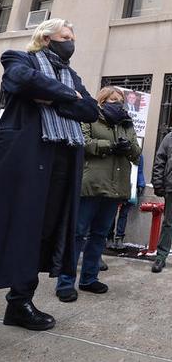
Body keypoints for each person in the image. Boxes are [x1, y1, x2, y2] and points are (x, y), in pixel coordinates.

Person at [0, 18, 99, 362]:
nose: (71, 42)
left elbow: (90, 109)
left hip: (60, 162)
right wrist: (67, 98)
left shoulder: (73, 77)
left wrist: (61, 95)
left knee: (41, 235)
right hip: (18, 160)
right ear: (46, 37)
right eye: (65, 37)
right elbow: (22, 81)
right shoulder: (19, 57)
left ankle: (20, 303)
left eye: (73, 37)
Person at [56, 87, 141, 302]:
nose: (118, 103)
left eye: (120, 100)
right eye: (113, 99)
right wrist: (110, 146)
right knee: (77, 234)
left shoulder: (126, 123)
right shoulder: (90, 117)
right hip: (91, 185)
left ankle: (89, 279)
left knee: (100, 236)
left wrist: (126, 146)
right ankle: (65, 283)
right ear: (102, 101)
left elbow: (137, 155)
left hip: (115, 188)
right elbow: (82, 142)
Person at [107, 154, 146, 250]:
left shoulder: (138, 155)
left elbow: (139, 171)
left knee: (123, 213)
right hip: (116, 185)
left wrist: (141, 183)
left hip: (130, 186)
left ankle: (119, 238)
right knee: (112, 212)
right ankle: (109, 237)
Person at [151, 132, 172, 273]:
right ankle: (161, 256)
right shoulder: (169, 138)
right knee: (169, 224)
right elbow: (160, 160)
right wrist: (158, 183)